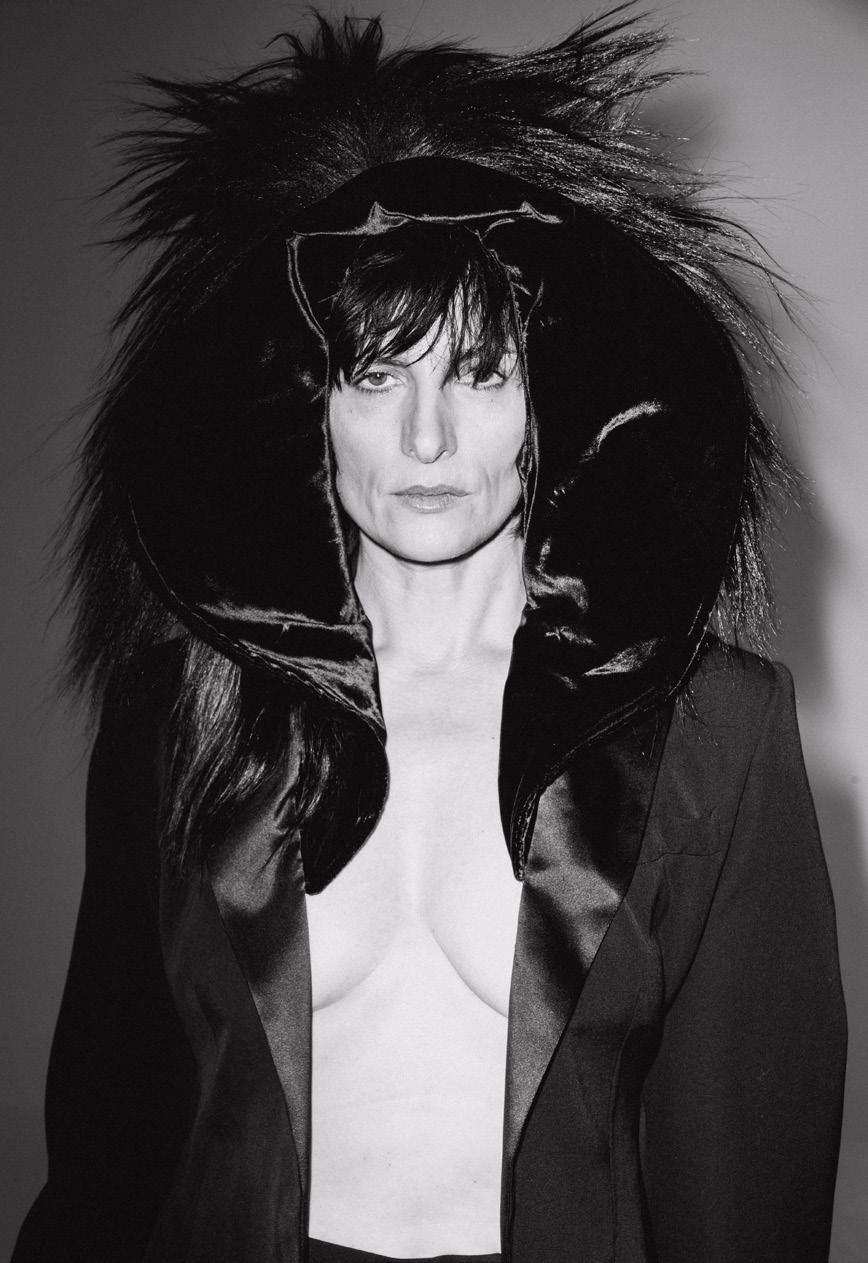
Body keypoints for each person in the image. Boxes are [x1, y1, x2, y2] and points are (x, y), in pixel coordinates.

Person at [13, 10, 847, 1263]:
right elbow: (107, 1150)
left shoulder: (716, 728)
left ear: (555, 395)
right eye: (376, 376)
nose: (425, 439)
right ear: (307, 402)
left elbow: (747, 1187)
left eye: (478, 372)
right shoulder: (177, 713)